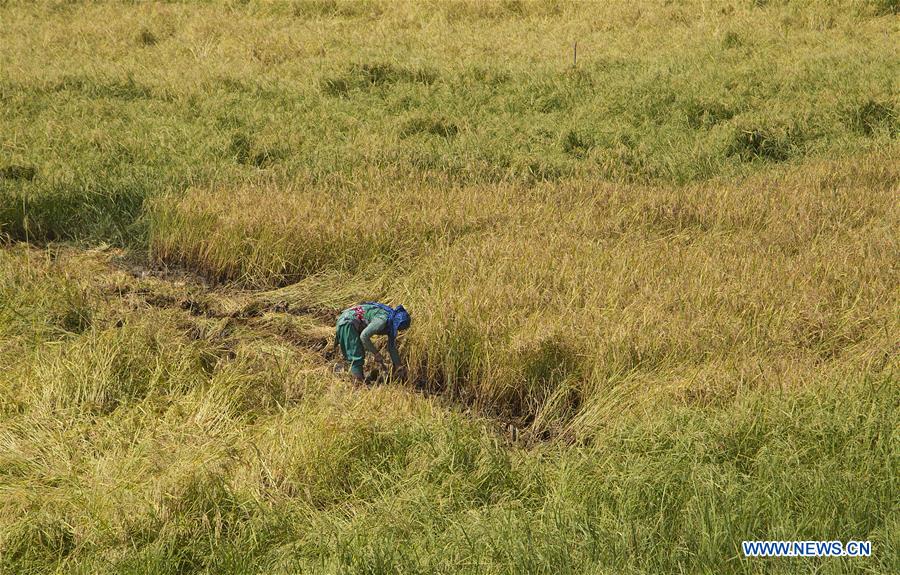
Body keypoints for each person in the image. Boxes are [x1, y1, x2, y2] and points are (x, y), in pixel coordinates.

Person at [334, 302, 410, 381]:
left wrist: (398, 365)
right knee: (355, 354)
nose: (398, 330)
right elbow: (364, 336)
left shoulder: (391, 320)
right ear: (396, 324)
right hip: (347, 322)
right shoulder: (382, 320)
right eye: (398, 328)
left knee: (359, 351)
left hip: (353, 323)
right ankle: (358, 383)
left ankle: (359, 380)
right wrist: (376, 353)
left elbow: (392, 347)